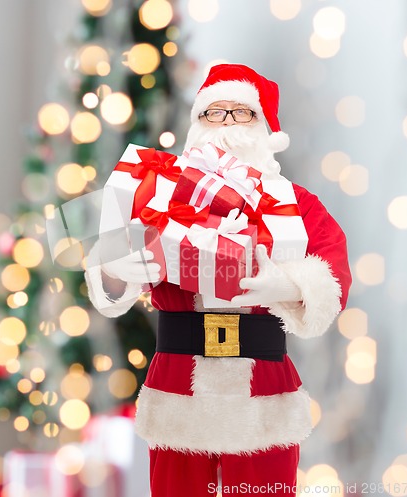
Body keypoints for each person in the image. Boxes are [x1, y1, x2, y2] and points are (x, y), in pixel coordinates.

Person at [85, 64, 352, 497]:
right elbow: (112, 262)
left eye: (240, 112)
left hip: (263, 388)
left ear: (264, 126)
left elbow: (334, 270)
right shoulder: (159, 193)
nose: (226, 122)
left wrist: (290, 286)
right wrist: (113, 270)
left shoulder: (296, 202)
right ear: (197, 124)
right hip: (178, 384)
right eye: (214, 113)